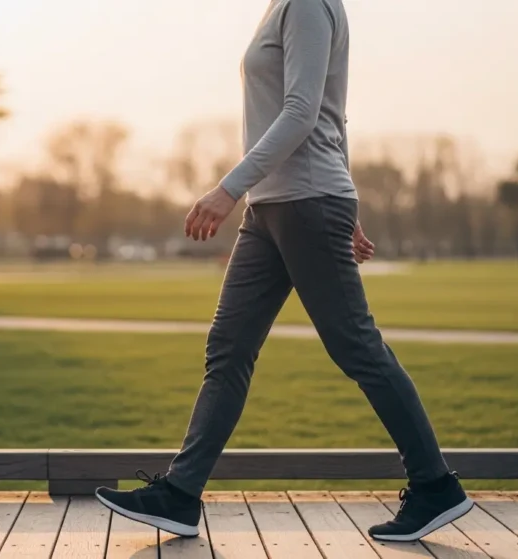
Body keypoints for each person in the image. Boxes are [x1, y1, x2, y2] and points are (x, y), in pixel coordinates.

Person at [95, 0, 473, 542]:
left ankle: (435, 485)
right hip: (273, 209)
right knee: (228, 348)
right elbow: (332, 117)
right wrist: (341, 208)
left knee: (357, 348)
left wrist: (229, 188)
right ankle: (180, 494)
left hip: (307, 203)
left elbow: (304, 110)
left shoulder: (308, 4)